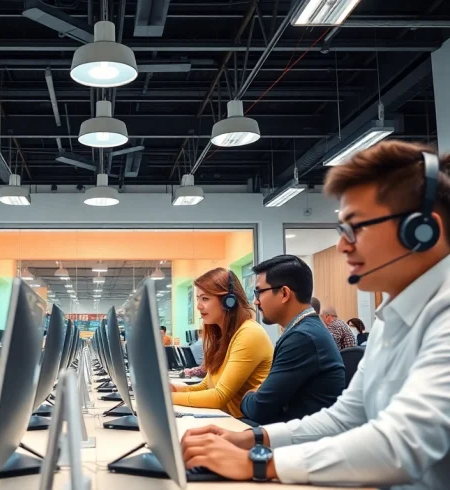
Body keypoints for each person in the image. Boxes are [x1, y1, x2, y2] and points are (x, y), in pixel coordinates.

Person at [180, 141, 450, 488]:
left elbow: (402, 443)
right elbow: (344, 418)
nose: (341, 245)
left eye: (356, 226)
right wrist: (250, 441)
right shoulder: (390, 322)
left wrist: (260, 464)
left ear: (422, 231)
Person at [239, 255, 345, 425]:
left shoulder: (302, 338)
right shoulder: (305, 330)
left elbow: (260, 408)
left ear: (284, 293)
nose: (256, 301)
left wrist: (246, 396)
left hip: (300, 442)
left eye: (259, 292)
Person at [171, 268, 273, 417]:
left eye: (205, 299)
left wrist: (168, 399)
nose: (198, 306)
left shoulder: (249, 333)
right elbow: (206, 386)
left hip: (245, 426)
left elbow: (219, 396)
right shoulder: (224, 336)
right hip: (228, 420)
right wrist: (174, 389)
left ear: (228, 301)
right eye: (198, 298)